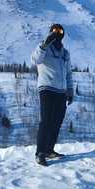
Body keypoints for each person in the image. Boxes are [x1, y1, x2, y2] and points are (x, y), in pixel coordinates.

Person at [31, 23, 74, 166]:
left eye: (60, 31)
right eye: (55, 31)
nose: (58, 33)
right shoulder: (45, 49)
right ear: (50, 33)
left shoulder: (65, 52)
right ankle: (40, 153)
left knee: (57, 121)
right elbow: (34, 60)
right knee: (46, 121)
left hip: (61, 91)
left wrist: (70, 90)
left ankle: (49, 150)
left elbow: (68, 73)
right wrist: (44, 44)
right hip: (47, 89)